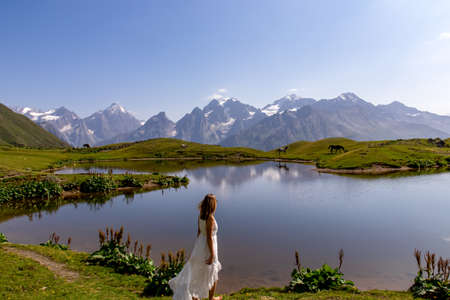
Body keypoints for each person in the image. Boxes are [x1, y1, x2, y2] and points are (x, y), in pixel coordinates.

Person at [169, 194, 222, 300]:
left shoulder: (201, 215)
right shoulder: (210, 219)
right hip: (208, 247)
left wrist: (196, 249)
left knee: (197, 272)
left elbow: (199, 232)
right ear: (212, 205)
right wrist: (212, 254)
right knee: (213, 272)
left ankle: (195, 297)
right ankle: (211, 298)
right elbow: (209, 238)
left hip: (200, 245)